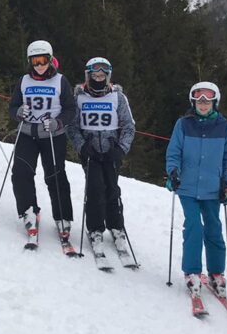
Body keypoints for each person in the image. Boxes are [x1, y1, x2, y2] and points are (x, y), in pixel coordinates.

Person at [165, 81, 227, 296]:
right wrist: (173, 172)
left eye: (207, 101)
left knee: (214, 228)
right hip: (187, 187)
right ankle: (192, 271)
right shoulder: (183, 124)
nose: (203, 104)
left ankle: (216, 272)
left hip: (213, 188)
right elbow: (174, 152)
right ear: (193, 102)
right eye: (199, 101)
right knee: (194, 226)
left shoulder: (225, 127)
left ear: (215, 102)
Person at [67, 57, 136, 258]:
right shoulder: (79, 97)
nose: (98, 79)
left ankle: (116, 227)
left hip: (111, 151)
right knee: (95, 188)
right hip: (90, 151)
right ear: (88, 76)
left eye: (101, 76)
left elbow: (129, 126)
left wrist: (121, 149)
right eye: (94, 76)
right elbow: (72, 127)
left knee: (112, 188)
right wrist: (82, 146)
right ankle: (95, 229)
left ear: (107, 77)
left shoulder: (117, 97)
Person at [9, 41, 75, 244]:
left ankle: (63, 217)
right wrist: (18, 112)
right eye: (35, 61)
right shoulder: (23, 80)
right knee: (21, 173)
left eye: (43, 60)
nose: (39, 65)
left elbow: (71, 109)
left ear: (50, 59)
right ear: (29, 61)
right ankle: (29, 210)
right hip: (27, 134)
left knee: (55, 175)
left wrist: (58, 122)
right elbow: (13, 106)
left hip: (52, 136)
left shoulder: (60, 81)